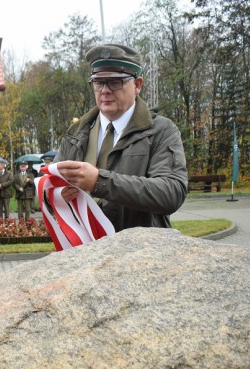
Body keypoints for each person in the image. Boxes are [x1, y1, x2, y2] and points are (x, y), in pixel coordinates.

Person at [54, 43, 188, 231]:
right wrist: (53, 194)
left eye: (115, 82)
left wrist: (99, 181)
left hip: (141, 254)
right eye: (98, 82)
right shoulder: (77, 132)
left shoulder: (160, 130)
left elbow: (171, 192)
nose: (105, 90)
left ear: (137, 85)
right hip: (87, 253)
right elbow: (50, 186)